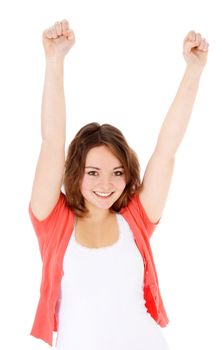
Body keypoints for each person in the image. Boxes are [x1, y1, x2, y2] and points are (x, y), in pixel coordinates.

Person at [28, 19, 209, 349]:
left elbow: (166, 151)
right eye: (93, 172)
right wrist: (54, 61)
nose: (106, 184)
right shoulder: (52, 220)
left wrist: (193, 71)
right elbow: (52, 143)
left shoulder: (136, 218)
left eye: (117, 172)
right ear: (75, 173)